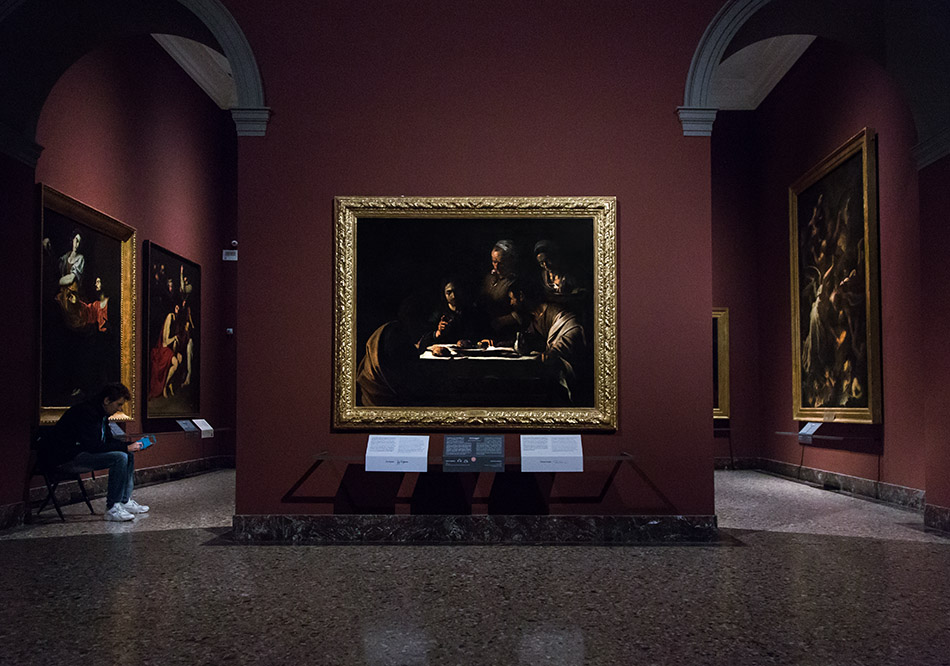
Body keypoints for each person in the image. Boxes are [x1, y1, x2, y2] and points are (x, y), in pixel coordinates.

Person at [42, 382, 151, 522]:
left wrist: (130, 446)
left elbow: (108, 441)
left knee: (128, 454)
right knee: (120, 457)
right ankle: (113, 507)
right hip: (66, 458)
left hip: (81, 453)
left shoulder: (101, 414)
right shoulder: (86, 413)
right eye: (118, 404)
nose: (120, 409)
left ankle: (124, 501)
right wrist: (125, 448)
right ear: (107, 400)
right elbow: (93, 446)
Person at [478, 239, 522, 338]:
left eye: (501, 263)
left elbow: (523, 313)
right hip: (485, 331)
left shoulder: (515, 282)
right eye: (494, 262)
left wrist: (501, 321)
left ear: (510, 261)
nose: (497, 266)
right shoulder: (489, 278)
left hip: (506, 334)